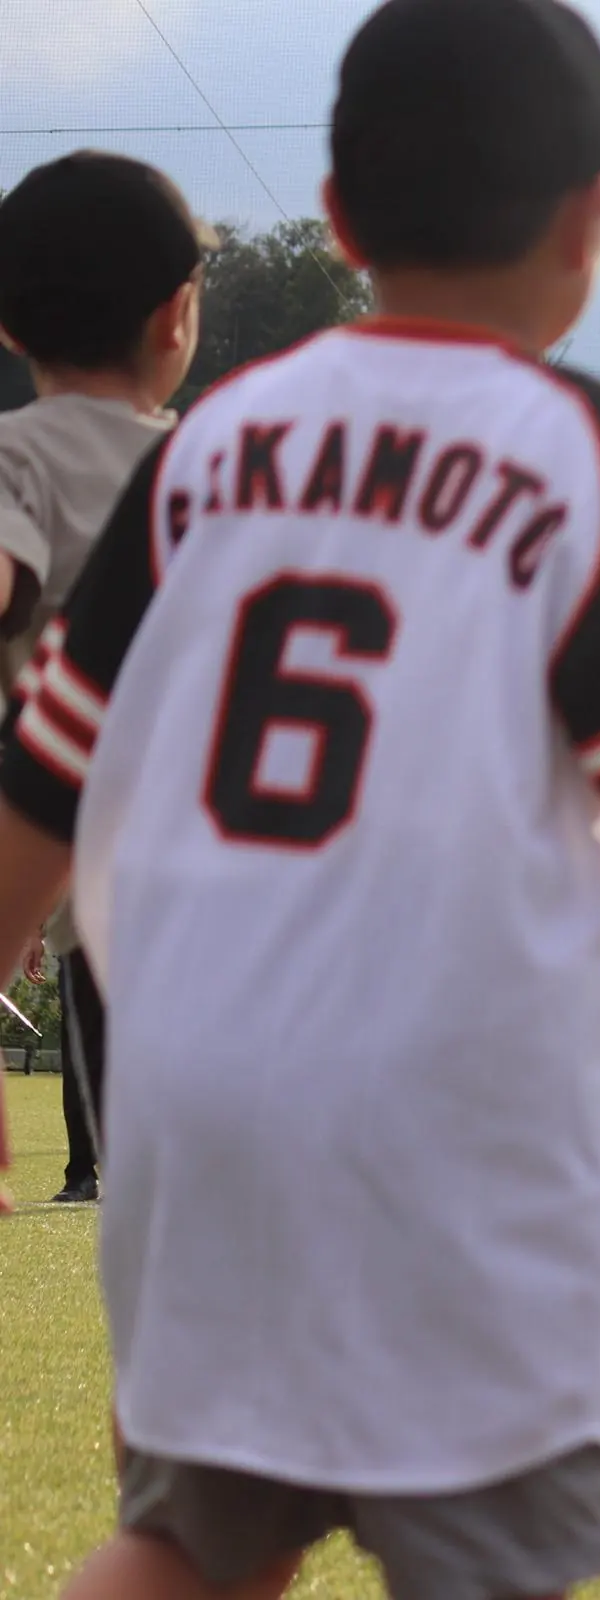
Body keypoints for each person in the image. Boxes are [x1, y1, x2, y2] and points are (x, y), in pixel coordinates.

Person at [0, 0, 600, 1591]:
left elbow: (43, 783)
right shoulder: (597, 456)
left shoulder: (211, 452)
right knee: (493, 1557)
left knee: (189, 1541)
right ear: (592, 221)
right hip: (458, 1111)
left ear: (335, 225)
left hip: (195, 1112)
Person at [0, 151, 213, 1208]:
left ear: (7, 326)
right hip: (299, 875)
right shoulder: (234, 462)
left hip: (119, 885)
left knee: (162, 1224)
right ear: (179, 314)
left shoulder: (14, 462)